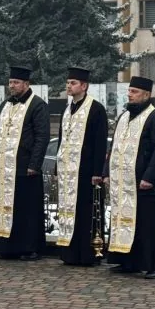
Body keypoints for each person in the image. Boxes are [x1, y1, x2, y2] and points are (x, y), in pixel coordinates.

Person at [104, 76, 155, 279]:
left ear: (146, 95)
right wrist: (107, 172)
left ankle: (153, 265)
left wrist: (149, 176)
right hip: (122, 182)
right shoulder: (124, 116)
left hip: (143, 182)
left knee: (147, 224)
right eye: (129, 91)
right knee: (124, 222)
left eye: (134, 92)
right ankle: (127, 262)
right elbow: (113, 148)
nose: (130, 95)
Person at [0, 66, 49, 261]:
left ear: (26, 84)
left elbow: (42, 136)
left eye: (16, 83)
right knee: (6, 207)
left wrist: (35, 164)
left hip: (25, 167)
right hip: (3, 168)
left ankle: (30, 248)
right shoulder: (4, 105)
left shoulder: (37, 105)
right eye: (10, 82)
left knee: (27, 210)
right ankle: (6, 247)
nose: (12, 86)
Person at [54, 68, 109, 266]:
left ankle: (88, 254)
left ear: (84, 86)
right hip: (68, 171)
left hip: (86, 172)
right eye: (68, 82)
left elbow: (100, 143)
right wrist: (57, 166)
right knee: (69, 212)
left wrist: (98, 172)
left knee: (87, 213)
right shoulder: (67, 109)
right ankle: (69, 253)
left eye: (73, 83)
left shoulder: (96, 109)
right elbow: (62, 140)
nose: (69, 86)